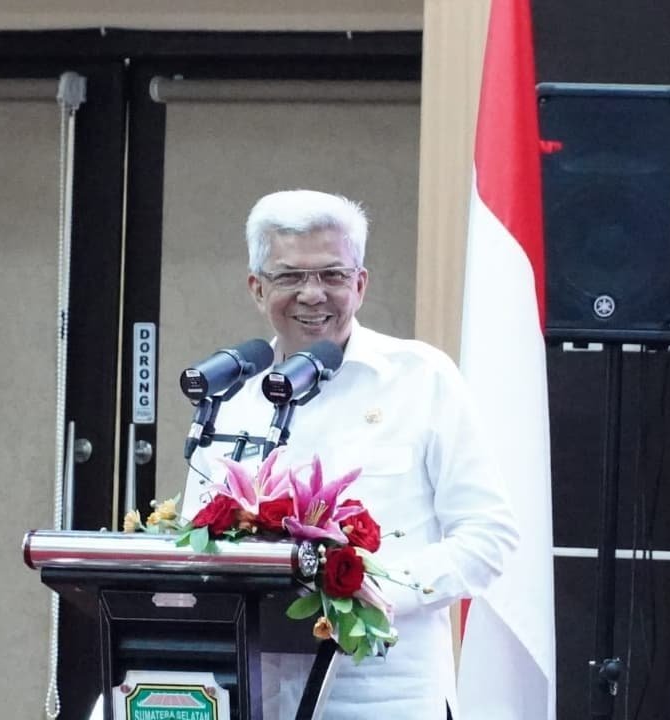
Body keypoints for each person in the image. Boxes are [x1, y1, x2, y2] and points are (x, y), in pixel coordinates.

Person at [181, 189, 519, 719]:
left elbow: (488, 536)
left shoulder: (421, 378)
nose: (312, 294)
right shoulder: (232, 395)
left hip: (385, 695)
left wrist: (370, 588)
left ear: (360, 284)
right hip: (256, 693)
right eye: (290, 277)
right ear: (257, 288)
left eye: (332, 275)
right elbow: (194, 543)